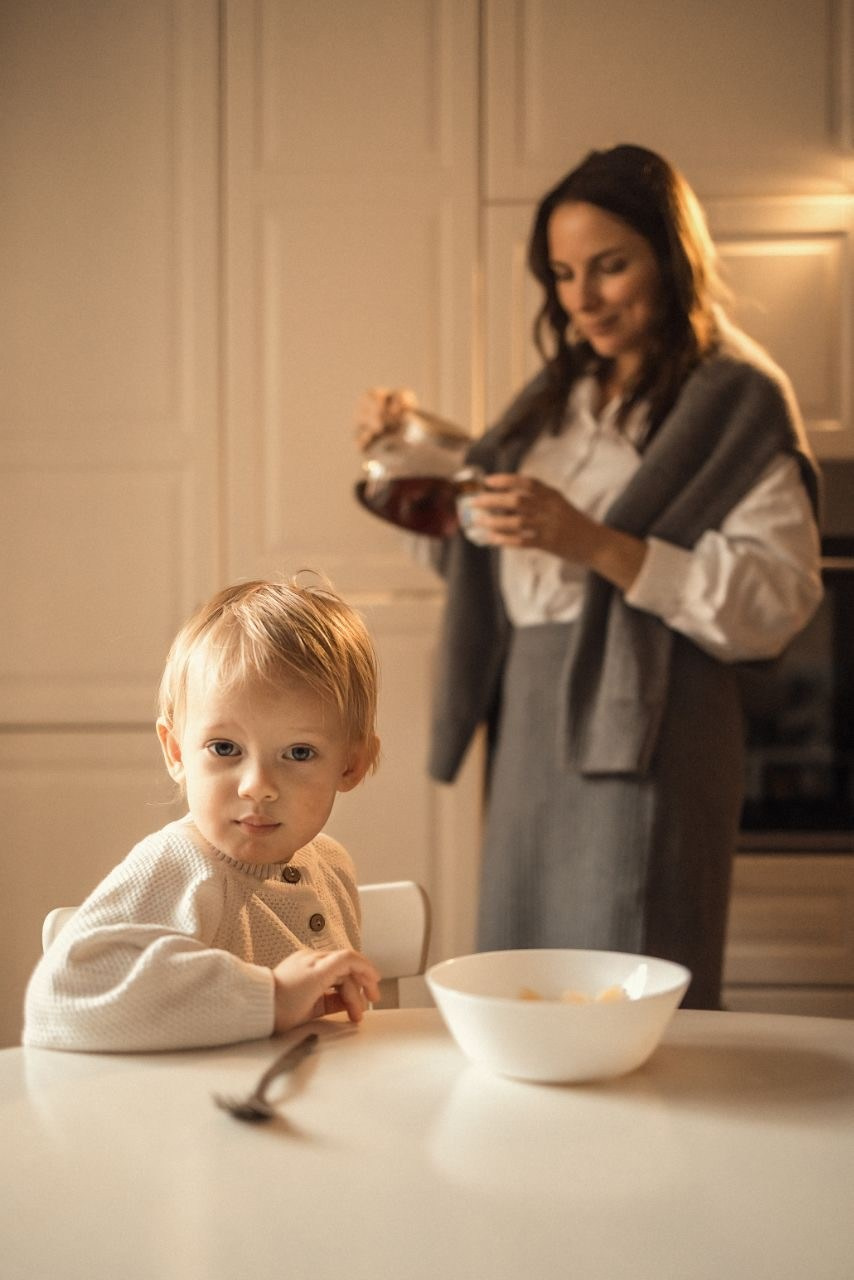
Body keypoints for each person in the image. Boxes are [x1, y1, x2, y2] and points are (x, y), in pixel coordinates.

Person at [356, 143, 823, 1009]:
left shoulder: (738, 398)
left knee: (631, 974)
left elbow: (778, 601)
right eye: (564, 273)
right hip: (531, 709)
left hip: (657, 712)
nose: (583, 298)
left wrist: (593, 542)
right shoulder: (555, 399)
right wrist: (405, 456)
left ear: (674, 256)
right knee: (524, 975)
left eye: (610, 266)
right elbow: (485, 564)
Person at [24, 576, 382, 1051]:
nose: (257, 786)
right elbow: (60, 998)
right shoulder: (178, 867)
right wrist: (270, 997)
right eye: (225, 747)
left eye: (298, 752)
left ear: (352, 764)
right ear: (176, 751)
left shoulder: (331, 866)